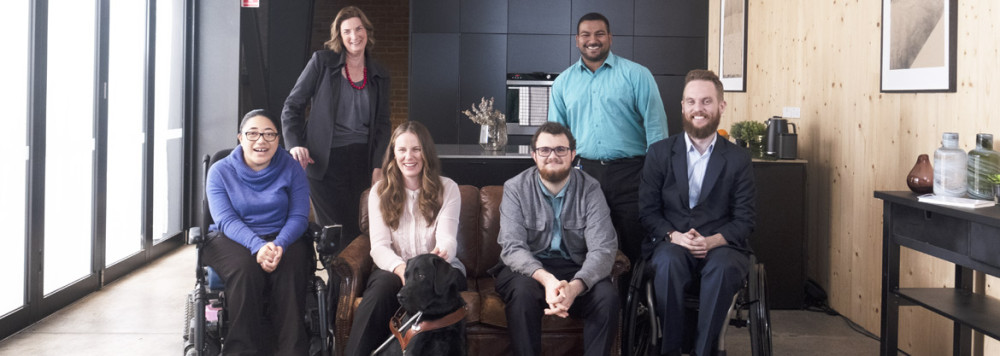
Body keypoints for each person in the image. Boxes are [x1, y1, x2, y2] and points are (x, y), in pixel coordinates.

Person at [638, 69, 756, 356]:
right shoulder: (660, 153)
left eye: (706, 101)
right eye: (691, 102)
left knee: (724, 267)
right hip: (672, 243)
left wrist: (713, 240)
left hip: (722, 247)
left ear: (721, 106)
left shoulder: (738, 158)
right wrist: (674, 236)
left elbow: (745, 218)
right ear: (682, 106)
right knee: (667, 263)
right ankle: (671, 349)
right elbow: (647, 211)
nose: (698, 109)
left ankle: (706, 351)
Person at [548, 12, 668, 266]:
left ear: (610, 38)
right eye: (586, 35)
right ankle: (599, 304)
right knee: (590, 248)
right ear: (577, 40)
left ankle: (638, 305)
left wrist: (654, 176)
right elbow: (556, 139)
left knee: (638, 246)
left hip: (633, 174)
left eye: (599, 34)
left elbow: (657, 130)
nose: (593, 40)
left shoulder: (637, 75)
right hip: (585, 175)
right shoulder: (562, 84)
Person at [495, 122, 619, 356]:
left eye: (560, 150)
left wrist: (574, 287)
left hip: (576, 268)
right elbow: (512, 248)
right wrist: (548, 280)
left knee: (607, 296)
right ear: (534, 155)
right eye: (545, 150)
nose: (553, 156)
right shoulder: (515, 188)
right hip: (528, 271)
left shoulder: (591, 189)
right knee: (522, 293)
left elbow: (603, 249)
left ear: (573, 154)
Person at [343, 121, 466, 356]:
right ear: (393, 155)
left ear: (426, 153)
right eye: (402, 150)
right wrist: (402, 270)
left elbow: (448, 238)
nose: (409, 156)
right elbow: (379, 247)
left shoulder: (448, 188)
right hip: (395, 267)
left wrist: (442, 252)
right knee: (380, 291)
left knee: (437, 287)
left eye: (416, 149)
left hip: (438, 267)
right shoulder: (379, 192)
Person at [203, 109, 312, 355]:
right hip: (232, 238)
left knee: (292, 265)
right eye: (252, 134)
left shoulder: (292, 168)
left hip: (282, 235)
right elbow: (225, 219)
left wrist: (280, 244)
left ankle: (292, 350)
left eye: (269, 134)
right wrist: (258, 246)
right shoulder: (220, 171)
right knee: (245, 268)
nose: (261, 140)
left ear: (278, 139)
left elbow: (298, 216)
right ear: (240, 138)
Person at [281, 5, 391, 242]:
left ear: (367, 31)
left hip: (363, 163)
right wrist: (294, 144)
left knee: (362, 230)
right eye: (347, 31)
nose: (354, 36)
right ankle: (338, 280)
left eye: (358, 29)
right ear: (339, 37)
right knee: (336, 234)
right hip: (324, 163)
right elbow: (292, 105)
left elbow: (383, 124)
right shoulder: (322, 62)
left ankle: (356, 279)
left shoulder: (379, 74)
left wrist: (379, 165)